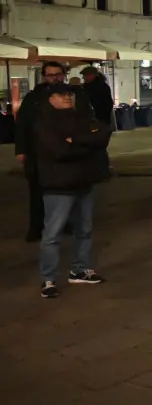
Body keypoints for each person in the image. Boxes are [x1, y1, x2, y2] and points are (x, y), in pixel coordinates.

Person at [35, 84, 111, 298]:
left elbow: (103, 135)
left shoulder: (81, 116)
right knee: (53, 234)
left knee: (84, 229)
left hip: (83, 181)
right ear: (51, 98)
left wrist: (76, 140)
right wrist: (87, 145)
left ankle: (80, 269)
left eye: (69, 93)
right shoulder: (44, 123)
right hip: (58, 185)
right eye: (61, 94)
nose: (67, 97)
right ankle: (48, 278)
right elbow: (58, 151)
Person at [16, 63, 95, 244]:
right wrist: (20, 149)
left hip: (67, 151)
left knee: (67, 190)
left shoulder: (76, 95)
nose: (54, 78)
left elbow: (89, 120)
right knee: (37, 191)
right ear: (44, 76)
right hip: (38, 151)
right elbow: (23, 125)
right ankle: (37, 227)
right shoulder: (34, 97)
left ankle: (67, 224)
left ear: (64, 75)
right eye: (50, 75)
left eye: (58, 74)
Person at [79, 66, 114, 175]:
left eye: (86, 75)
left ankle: (102, 171)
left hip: (98, 121)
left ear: (93, 75)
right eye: (84, 76)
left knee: (98, 147)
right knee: (95, 148)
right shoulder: (86, 87)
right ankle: (99, 170)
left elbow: (107, 105)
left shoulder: (100, 87)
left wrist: (98, 119)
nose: (84, 77)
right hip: (94, 121)